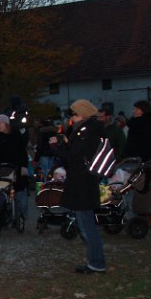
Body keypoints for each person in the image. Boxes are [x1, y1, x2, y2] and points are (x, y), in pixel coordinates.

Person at [50, 99, 106, 274]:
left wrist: (56, 147)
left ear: (82, 114)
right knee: (85, 224)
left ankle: (96, 262)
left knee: (87, 225)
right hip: (83, 182)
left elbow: (74, 157)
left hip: (83, 183)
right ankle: (95, 261)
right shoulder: (87, 130)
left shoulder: (88, 132)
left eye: (74, 114)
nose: (71, 118)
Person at [0, 113, 30, 222]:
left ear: (6, 124)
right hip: (3, 168)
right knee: (3, 191)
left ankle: (21, 216)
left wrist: (24, 166)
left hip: (17, 165)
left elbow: (22, 152)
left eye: (1, 123)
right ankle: (8, 216)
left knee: (20, 193)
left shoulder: (16, 135)